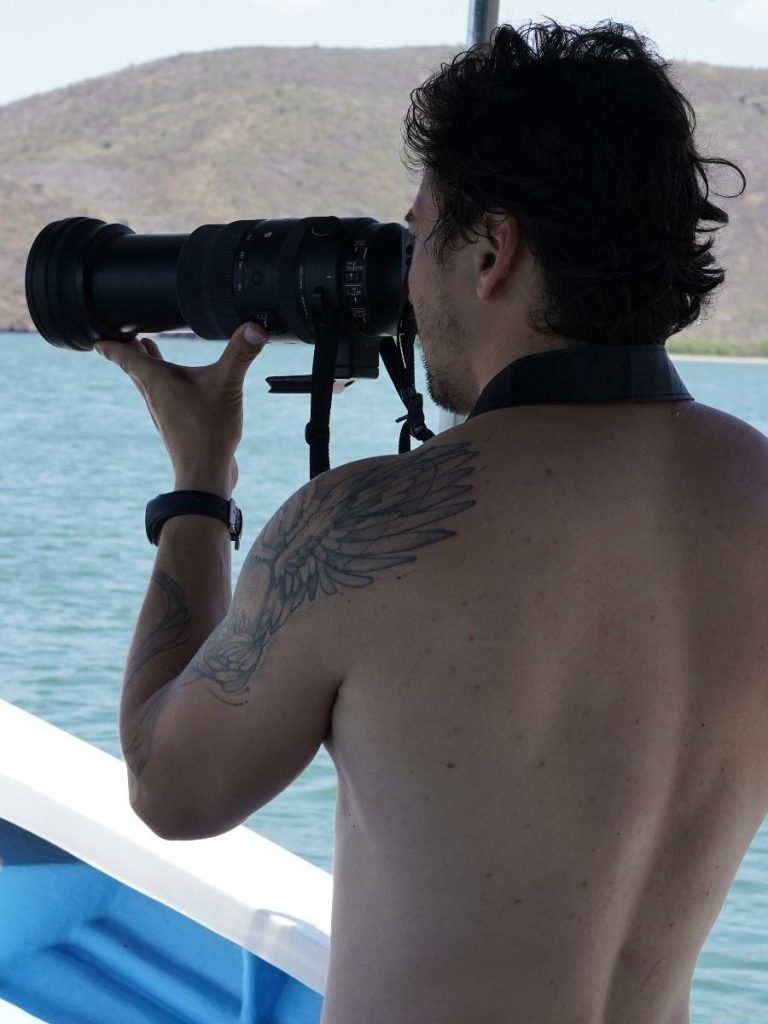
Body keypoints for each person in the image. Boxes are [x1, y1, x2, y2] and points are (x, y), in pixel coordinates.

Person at [94, 19, 762, 1024]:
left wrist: (199, 484)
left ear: (492, 250)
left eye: (419, 235)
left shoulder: (365, 528)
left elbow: (170, 788)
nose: (407, 280)